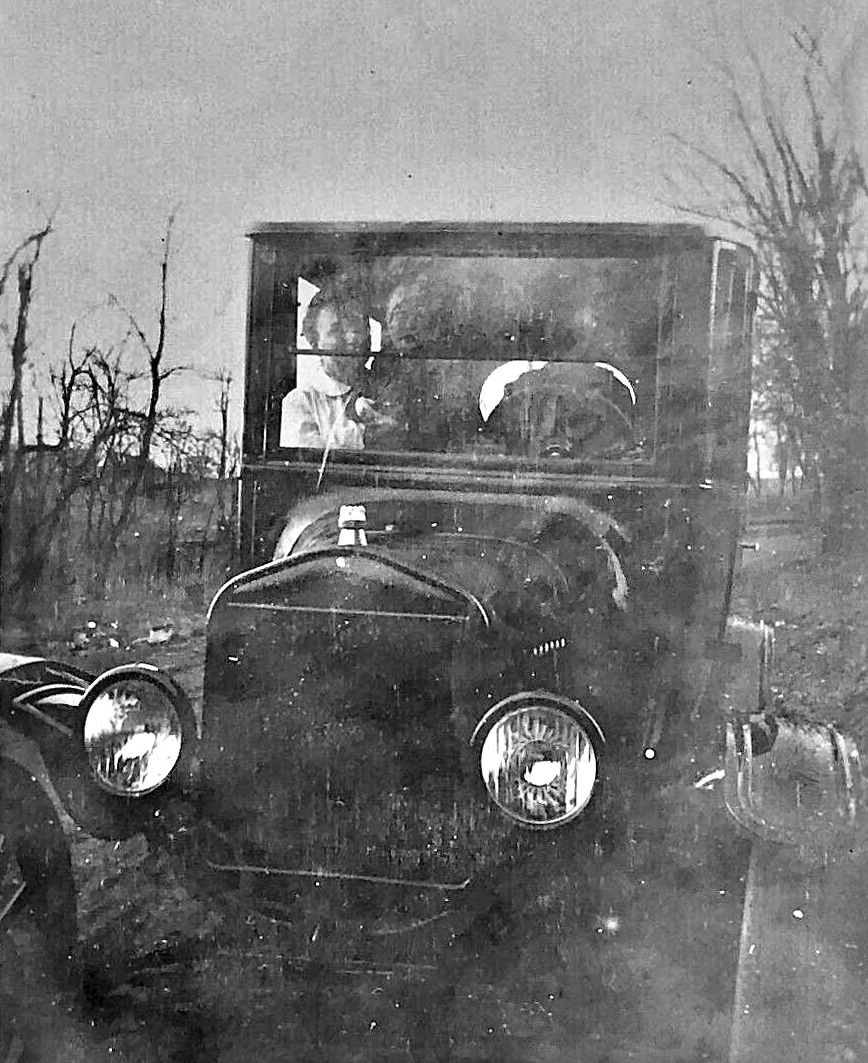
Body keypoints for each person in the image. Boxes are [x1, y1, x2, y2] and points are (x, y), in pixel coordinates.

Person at [280, 286, 378, 450]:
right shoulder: (301, 403)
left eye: (357, 328)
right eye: (337, 330)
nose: (352, 338)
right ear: (314, 343)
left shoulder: (389, 388)